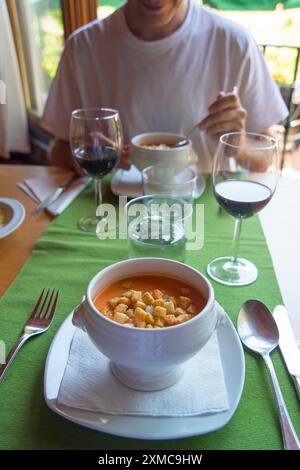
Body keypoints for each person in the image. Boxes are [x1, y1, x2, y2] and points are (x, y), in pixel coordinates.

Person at [41, 0, 288, 173]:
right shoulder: (83, 47)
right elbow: (57, 151)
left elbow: (265, 157)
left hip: (207, 211)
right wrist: (89, 154)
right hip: (116, 208)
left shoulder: (233, 42)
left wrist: (240, 144)